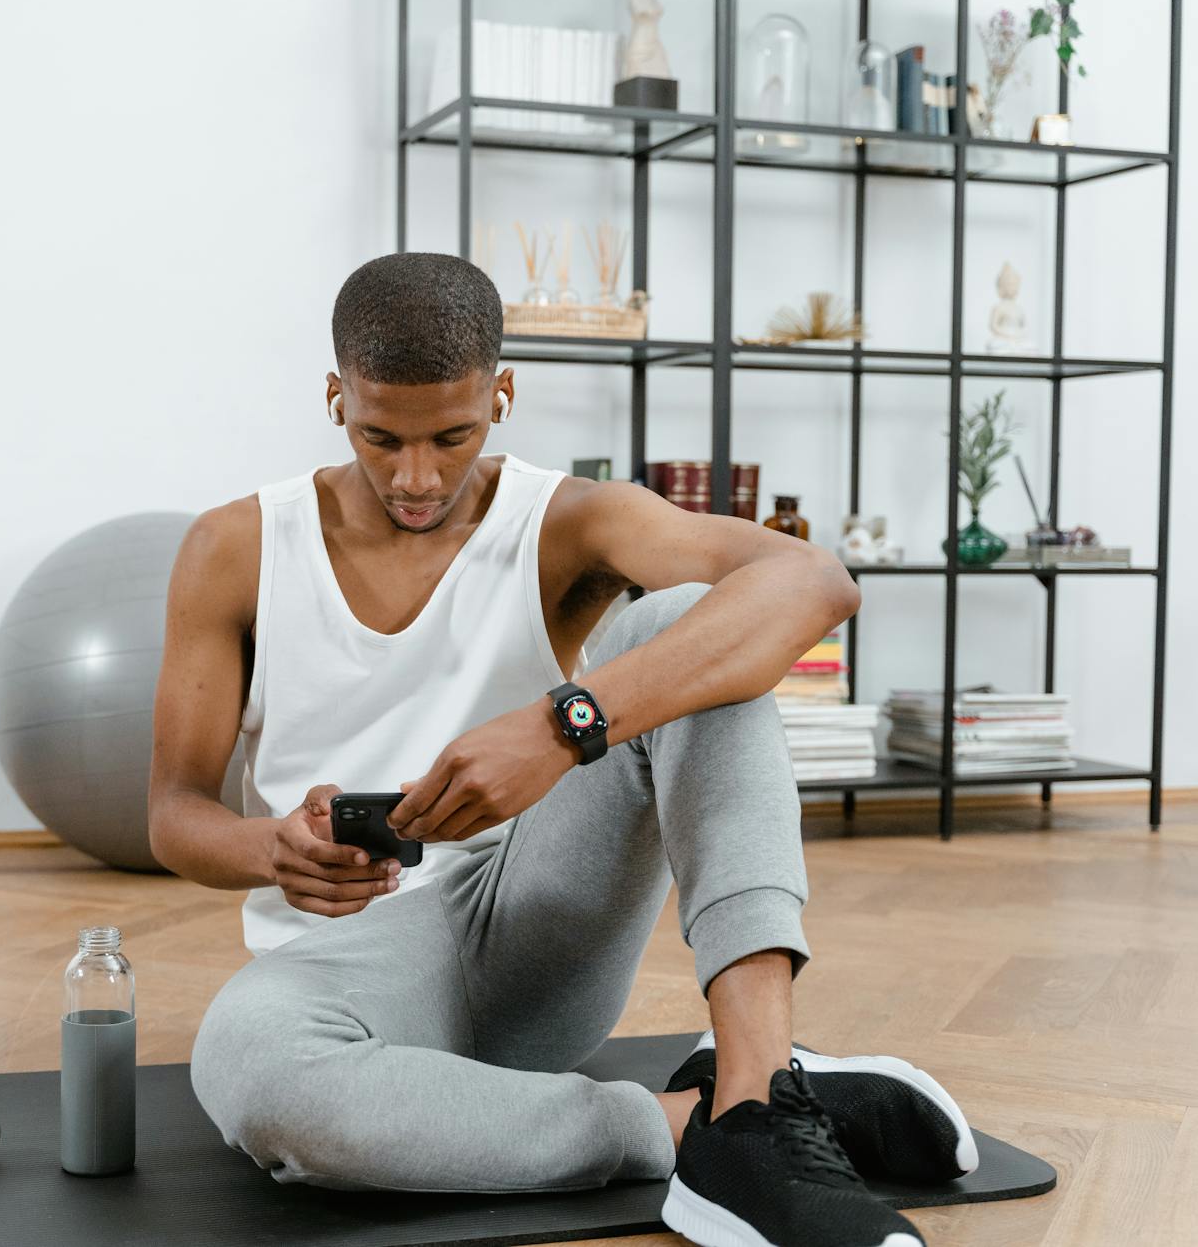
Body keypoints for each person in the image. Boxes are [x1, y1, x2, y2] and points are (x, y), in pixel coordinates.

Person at [148, 252, 976, 1247]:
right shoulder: (233, 546)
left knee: (694, 625)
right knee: (252, 1074)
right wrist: (268, 849)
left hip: (528, 920)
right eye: (379, 437)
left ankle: (755, 1101)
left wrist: (560, 725)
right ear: (335, 396)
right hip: (334, 980)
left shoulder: (568, 521)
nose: (415, 477)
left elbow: (813, 582)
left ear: (501, 393)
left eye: (452, 436)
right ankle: (694, 1122)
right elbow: (173, 812)